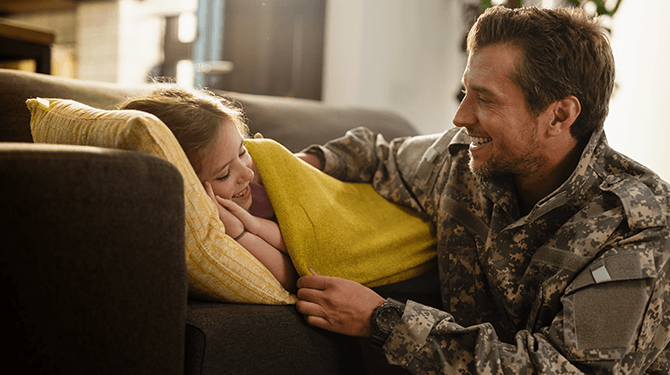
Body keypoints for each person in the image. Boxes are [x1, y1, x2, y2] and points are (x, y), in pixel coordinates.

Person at [294, 5, 670, 374]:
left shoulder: (638, 225)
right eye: (465, 92)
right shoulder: (463, 161)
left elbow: (565, 369)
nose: (460, 117)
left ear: (559, 115)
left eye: (485, 98)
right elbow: (377, 157)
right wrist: (270, 167)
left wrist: (384, 321)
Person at [118, 85, 439, 296]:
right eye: (225, 173)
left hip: (389, 215)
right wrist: (241, 234)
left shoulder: (257, 175)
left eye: (242, 151)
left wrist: (255, 219)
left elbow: (310, 211)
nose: (246, 171)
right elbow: (296, 272)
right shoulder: (214, 222)